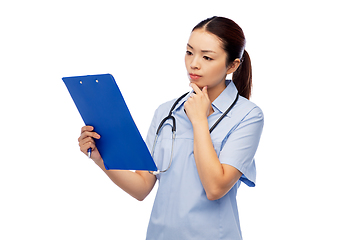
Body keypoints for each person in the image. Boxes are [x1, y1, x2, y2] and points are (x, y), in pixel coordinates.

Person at [78, 16, 264, 240]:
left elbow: (215, 188)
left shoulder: (248, 116)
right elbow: (142, 187)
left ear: (232, 65)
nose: (194, 63)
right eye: (189, 52)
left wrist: (199, 121)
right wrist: (101, 158)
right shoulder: (166, 112)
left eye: (207, 57)